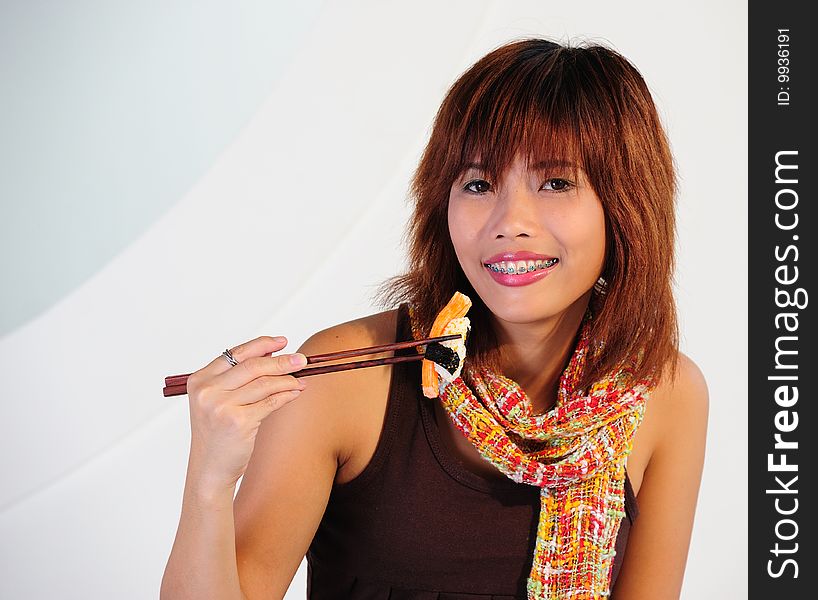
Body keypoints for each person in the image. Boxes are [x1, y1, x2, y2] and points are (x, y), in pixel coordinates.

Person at [161, 38, 708, 600]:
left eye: (556, 182)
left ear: (626, 204)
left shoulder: (666, 391)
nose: (509, 221)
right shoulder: (345, 381)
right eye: (477, 183)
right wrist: (209, 479)